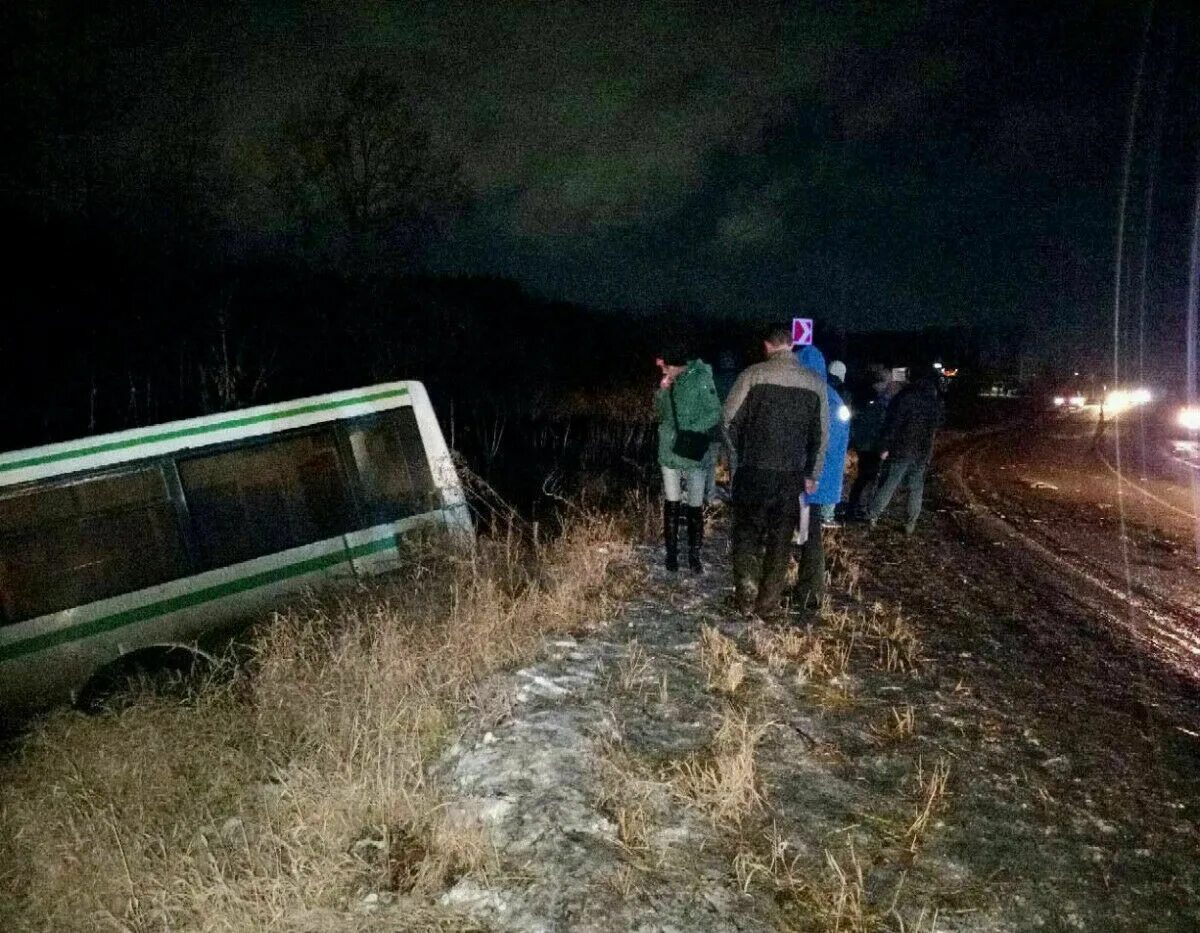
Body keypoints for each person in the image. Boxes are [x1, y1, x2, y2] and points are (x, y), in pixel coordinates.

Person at [723, 325, 828, 620]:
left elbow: (728, 421)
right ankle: (768, 606)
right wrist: (812, 474)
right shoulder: (815, 383)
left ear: (768, 346)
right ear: (792, 346)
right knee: (780, 540)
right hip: (791, 476)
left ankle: (746, 593)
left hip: (753, 471)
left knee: (747, 532)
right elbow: (822, 436)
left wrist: (738, 457)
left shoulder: (752, 375)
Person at [656, 346, 721, 573]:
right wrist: (663, 391)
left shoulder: (701, 377)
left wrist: (691, 430)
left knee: (695, 504)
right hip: (670, 448)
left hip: (693, 450)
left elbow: (714, 412)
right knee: (671, 502)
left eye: (666, 366)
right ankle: (671, 556)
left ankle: (694, 556)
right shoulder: (669, 381)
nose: (663, 370)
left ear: (675, 364)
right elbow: (660, 413)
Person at [865, 367, 944, 534]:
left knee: (889, 482)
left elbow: (893, 424)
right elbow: (936, 427)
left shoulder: (905, 397)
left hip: (902, 448)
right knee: (916, 488)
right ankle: (910, 524)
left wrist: (885, 446)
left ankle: (873, 514)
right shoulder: (934, 401)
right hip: (922, 451)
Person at [796, 346, 851, 531]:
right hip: (827, 459)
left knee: (802, 501)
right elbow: (840, 430)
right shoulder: (833, 396)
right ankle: (817, 526)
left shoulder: (796, 392)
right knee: (817, 505)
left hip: (801, 461)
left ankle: (801, 532)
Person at [846, 368, 891, 519]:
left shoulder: (864, 396)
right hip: (871, 445)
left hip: (865, 444)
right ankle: (857, 507)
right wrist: (881, 446)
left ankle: (855, 506)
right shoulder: (875, 400)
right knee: (867, 477)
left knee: (864, 477)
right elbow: (877, 424)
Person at [704, 350, 740, 506]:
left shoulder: (713, 379)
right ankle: (734, 493)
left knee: (710, 460)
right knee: (733, 458)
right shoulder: (738, 379)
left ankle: (710, 495)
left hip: (713, 424)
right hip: (731, 425)